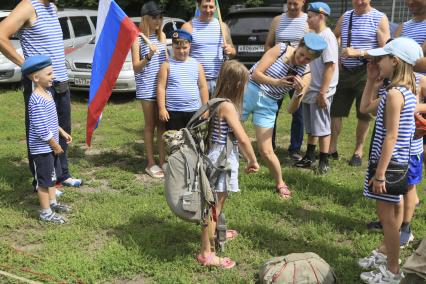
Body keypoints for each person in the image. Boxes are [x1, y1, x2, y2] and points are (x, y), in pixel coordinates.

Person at [358, 37, 423, 284]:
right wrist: (371, 80)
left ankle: (393, 270)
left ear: (394, 62)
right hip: (395, 164)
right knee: (391, 218)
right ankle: (387, 257)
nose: (378, 62)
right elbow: (365, 108)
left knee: (388, 221)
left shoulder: (395, 94)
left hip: (390, 166)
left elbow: (391, 137)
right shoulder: (399, 91)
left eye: (382, 59)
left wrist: (380, 174)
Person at [0, 0, 82, 189]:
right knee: (42, 132)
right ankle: (44, 183)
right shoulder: (28, 6)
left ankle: (61, 175)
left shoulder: (51, 7)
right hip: (40, 84)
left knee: (62, 129)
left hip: (59, 80)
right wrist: (27, 66)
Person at [241, 33, 326, 199]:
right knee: (228, 130)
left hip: (269, 104)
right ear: (298, 46)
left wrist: (299, 93)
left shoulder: (306, 74)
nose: (302, 60)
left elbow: (291, 110)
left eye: (308, 59)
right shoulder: (280, 49)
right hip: (250, 90)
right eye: (301, 54)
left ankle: (280, 183)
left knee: (266, 150)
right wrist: (277, 82)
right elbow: (256, 74)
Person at [197, 60, 259, 269]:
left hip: (215, 156)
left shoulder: (216, 100)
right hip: (222, 161)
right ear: (238, 85)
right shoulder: (228, 106)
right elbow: (242, 138)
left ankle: (214, 233)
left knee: (215, 203)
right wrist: (253, 159)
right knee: (213, 208)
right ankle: (206, 253)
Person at [329, 0, 390, 166]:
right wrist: (336, 59)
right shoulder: (346, 16)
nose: (360, 1)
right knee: (336, 111)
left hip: (366, 72)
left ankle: (358, 151)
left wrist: (360, 52)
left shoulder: (379, 17)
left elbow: (386, 49)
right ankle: (332, 148)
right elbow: (334, 37)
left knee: (364, 113)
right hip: (344, 71)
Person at [22, 55, 72, 223]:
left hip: (50, 146)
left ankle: (52, 203)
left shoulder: (48, 94)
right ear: (36, 78)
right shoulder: (36, 99)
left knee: (51, 177)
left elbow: (51, 120)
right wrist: (54, 144)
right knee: (43, 182)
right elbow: (41, 127)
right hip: (42, 149)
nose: (53, 77)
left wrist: (62, 132)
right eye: (49, 74)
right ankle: (45, 213)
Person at [294, 2, 338, 175]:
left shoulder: (327, 36)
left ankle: (324, 159)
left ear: (321, 16)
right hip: (311, 88)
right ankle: (310, 155)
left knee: (322, 125)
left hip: (321, 89)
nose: (308, 20)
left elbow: (330, 66)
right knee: (311, 125)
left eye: (310, 17)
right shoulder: (314, 35)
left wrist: (323, 92)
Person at [265, 0, 308, 159]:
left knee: (298, 111)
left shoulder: (307, 21)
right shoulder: (278, 20)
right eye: (289, 3)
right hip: (278, 72)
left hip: (299, 73)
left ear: (303, 2)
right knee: (271, 109)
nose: (291, 6)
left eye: (295, 3)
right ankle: (270, 145)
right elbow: (269, 44)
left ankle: (295, 148)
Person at [131, 1, 167, 178]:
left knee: (162, 125)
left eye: (159, 17)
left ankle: (162, 161)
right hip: (146, 87)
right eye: (154, 17)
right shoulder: (137, 39)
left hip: (162, 87)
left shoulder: (162, 36)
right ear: (145, 18)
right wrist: (149, 55)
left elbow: (166, 62)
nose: (157, 21)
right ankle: (150, 163)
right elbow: (136, 67)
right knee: (150, 125)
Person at [181, 0, 235, 97]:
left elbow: (233, 51)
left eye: (211, 7)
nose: (208, 10)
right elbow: (180, 56)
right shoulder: (188, 27)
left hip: (219, 81)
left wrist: (230, 51)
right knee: (200, 112)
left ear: (215, 7)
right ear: (198, 6)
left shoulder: (222, 26)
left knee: (218, 111)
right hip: (196, 81)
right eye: (205, 6)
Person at [157, 29, 208, 130]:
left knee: (193, 141)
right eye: (177, 48)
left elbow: (203, 87)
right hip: (173, 112)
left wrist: (205, 109)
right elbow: (161, 88)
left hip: (194, 111)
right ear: (172, 47)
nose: (181, 51)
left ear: (190, 46)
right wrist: (162, 108)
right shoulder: (166, 65)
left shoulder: (197, 65)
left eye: (185, 47)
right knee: (175, 142)